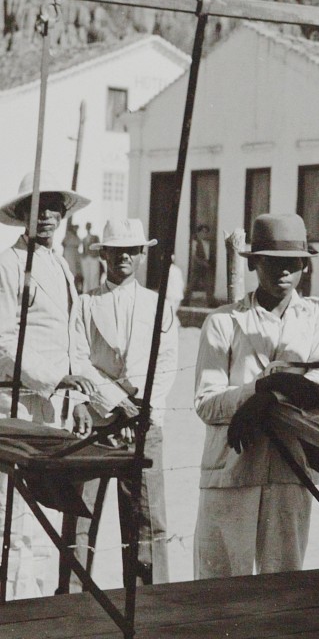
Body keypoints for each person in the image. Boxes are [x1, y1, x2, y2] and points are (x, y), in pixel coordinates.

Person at [193, 213, 319, 579]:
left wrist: (268, 397)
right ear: (255, 262)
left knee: (284, 582)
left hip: (291, 468)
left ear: (305, 267)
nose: (283, 273)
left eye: (293, 263)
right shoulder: (223, 322)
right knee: (222, 584)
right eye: (273, 263)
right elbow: (207, 402)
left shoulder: (316, 318)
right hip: (232, 468)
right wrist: (253, 393)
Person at [0, 169, 95, 597]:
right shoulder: (8, 263)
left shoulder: (61, 265)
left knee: (44, 523)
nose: (47, 217)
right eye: (37, 208)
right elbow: (2, 340)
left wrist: (75, 397)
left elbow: (73, 339)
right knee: (12, 522)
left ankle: (36, 614)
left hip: (53, 412)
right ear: (22, 214)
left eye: (55, 208)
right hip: (14, 406)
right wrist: (55, 378)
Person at [69, 218, 179, 586]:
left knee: (148, 521)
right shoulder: (86, 304)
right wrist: (114, 402)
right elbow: (79, 360)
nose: (124, 257)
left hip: (143, 425)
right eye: (116, 251)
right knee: (81, 520)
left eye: (132, 250)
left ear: (142, 255)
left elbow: (165, 362)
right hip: (98, 423)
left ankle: (151, 603)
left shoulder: (157, 304)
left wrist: (143, 408)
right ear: (104, 256)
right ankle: (71, 602)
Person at [189, 224, 215, 305]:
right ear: (198, 232)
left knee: (208, 284)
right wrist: (202, 263)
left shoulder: (207, 243)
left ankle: (211, 302)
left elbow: (208, 256)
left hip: (205, 267)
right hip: (198, 267)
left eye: (206, 232)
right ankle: (185, 301)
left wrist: (207, 263)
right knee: (191, 285)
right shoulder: (195, 242)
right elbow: (194, 256)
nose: (204, 234)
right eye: (202, 232)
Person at [61, 221, 84, 293]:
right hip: (69, 252)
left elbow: (79, 242)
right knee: (71, 269)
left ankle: (76, 287)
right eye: (75, 228)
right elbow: (63, 243)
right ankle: (70, 287)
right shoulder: (69, 234)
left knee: (77, 270)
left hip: (75, 252)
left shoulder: (76, 236)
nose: (76, 229)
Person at [81, 222, 102, 292]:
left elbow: (99, 247)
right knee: (86, 277)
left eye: (89, 226)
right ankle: (86, 292)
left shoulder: (95, 237)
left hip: (94, 257)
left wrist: (97, 255)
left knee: (94, 276)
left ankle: (94, 292)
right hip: (86, 258)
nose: (88, 228)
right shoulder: (84, 239)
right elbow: (83, 249)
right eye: (87, 226)